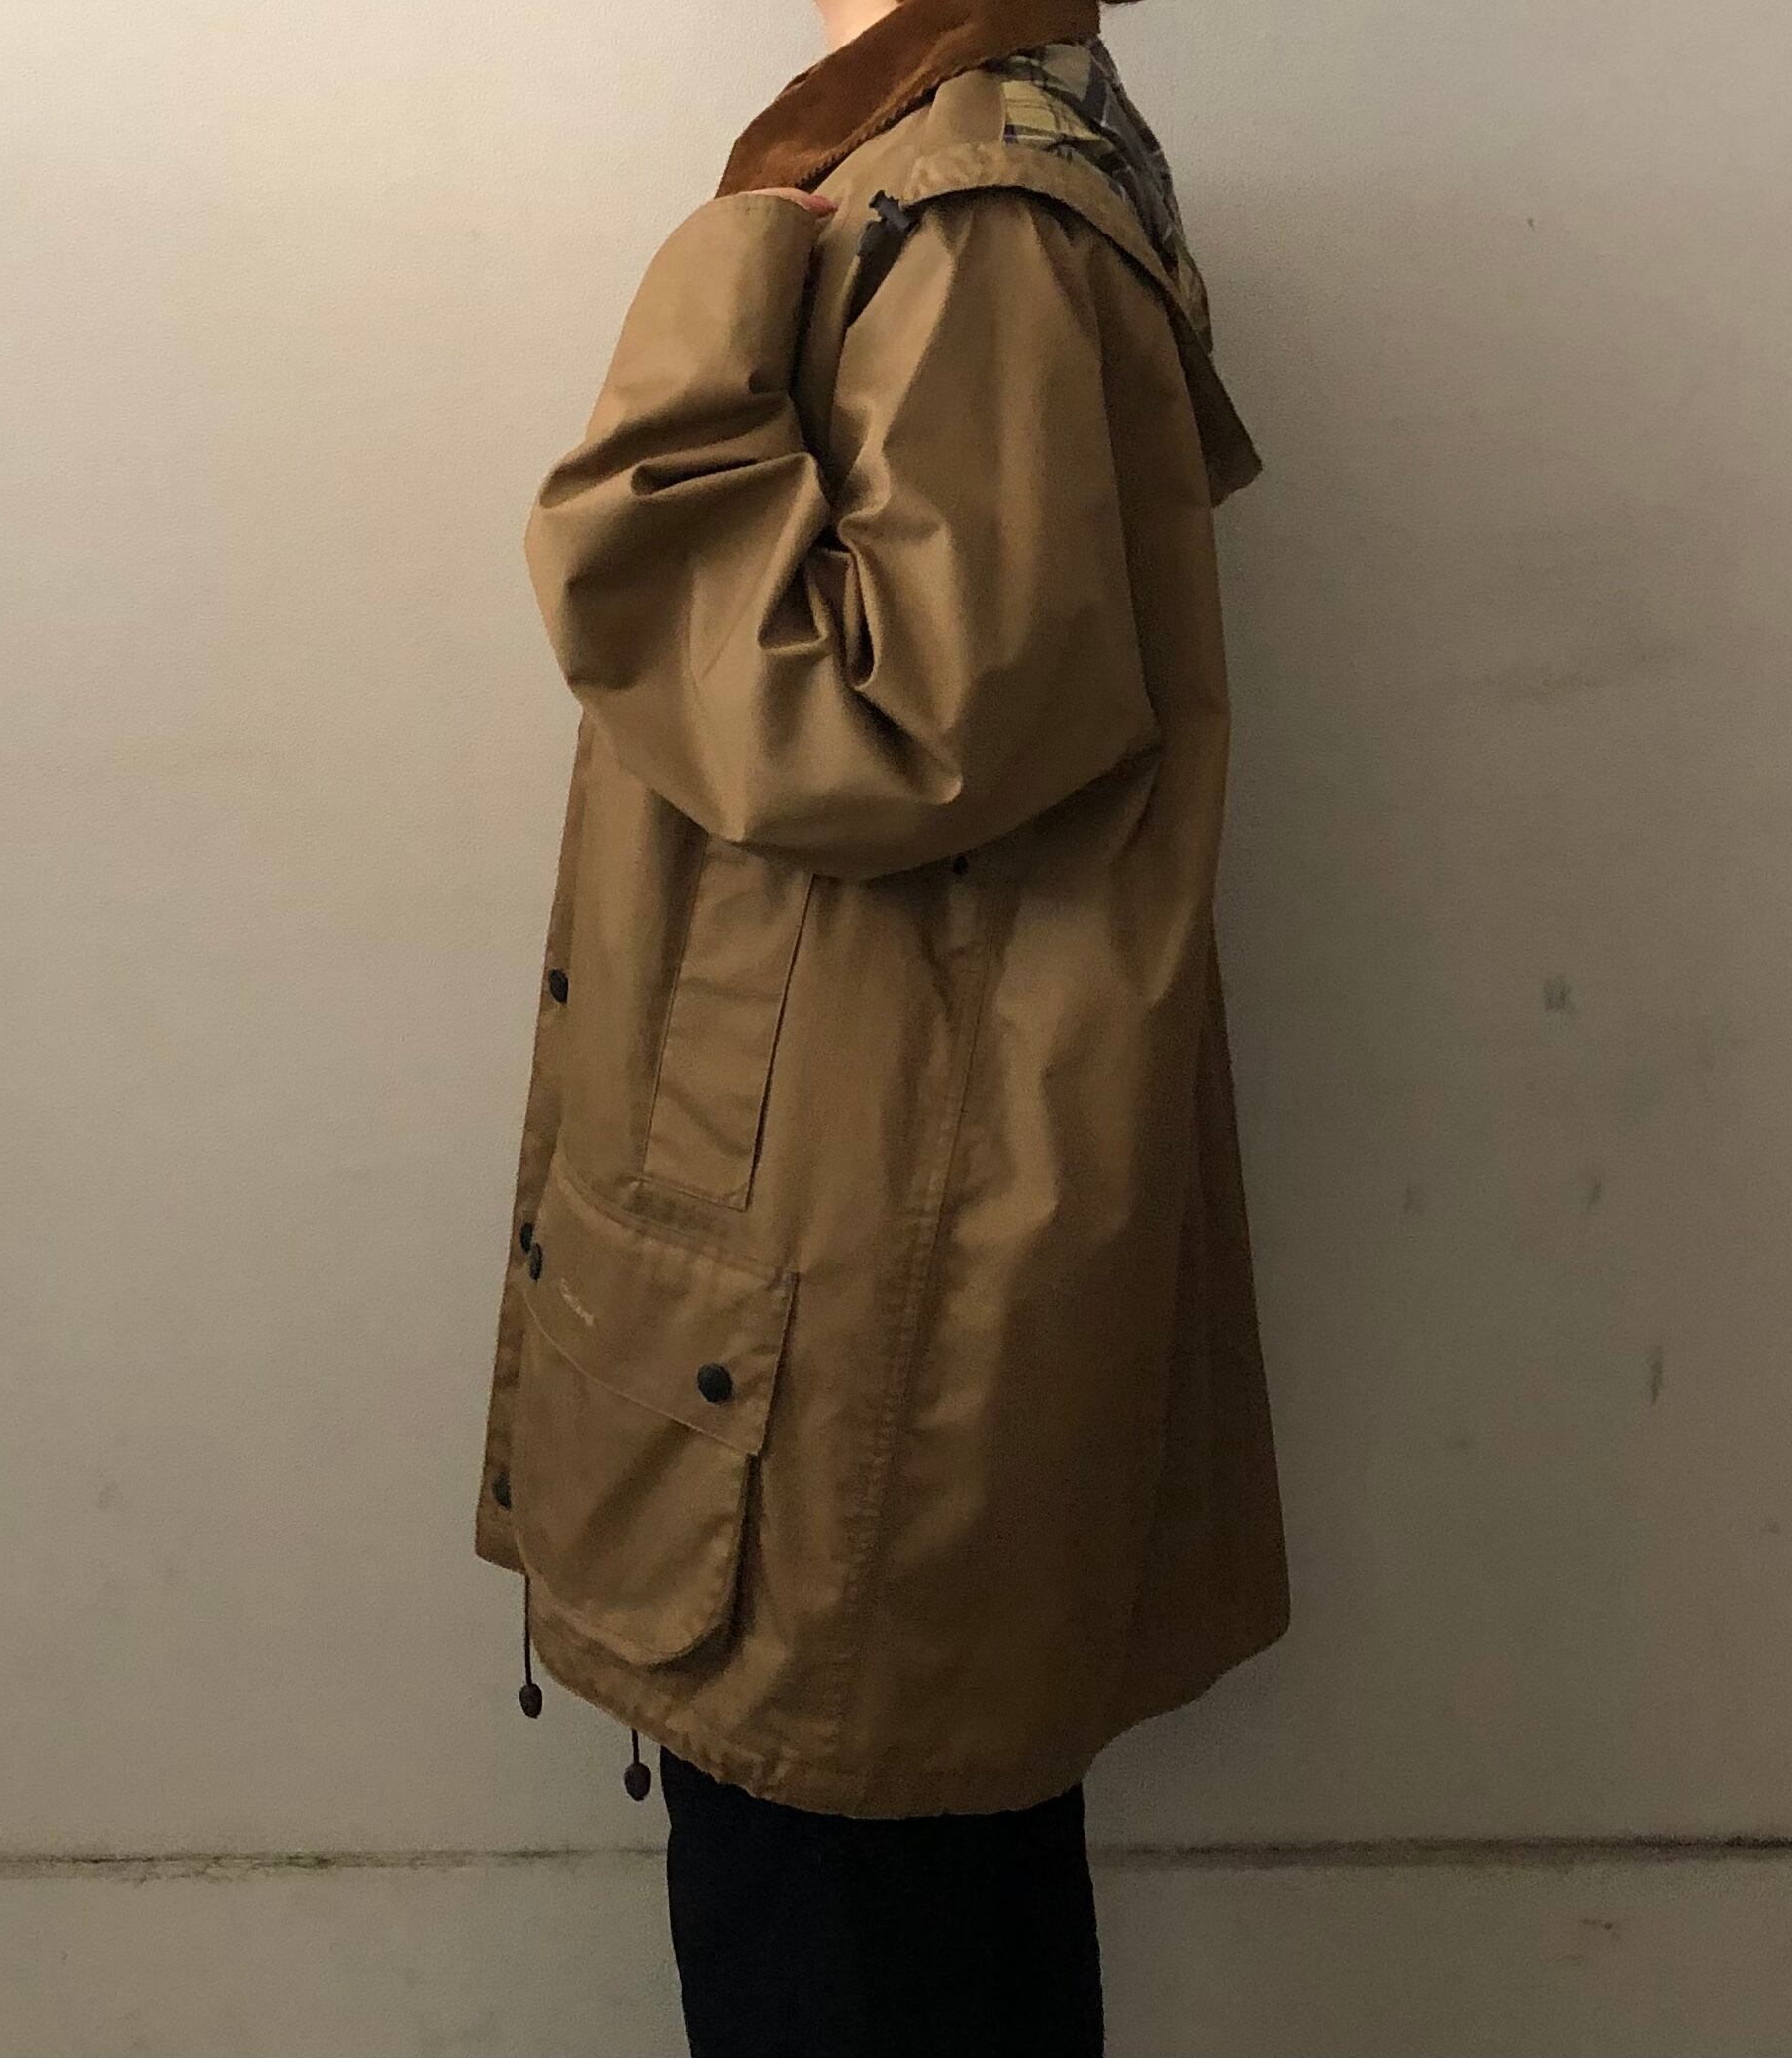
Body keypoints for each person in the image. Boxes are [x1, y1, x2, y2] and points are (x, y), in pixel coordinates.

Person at [472, 0, 1292, 2049]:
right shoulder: (939, 173)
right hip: (853, 1249)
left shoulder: (962, 212)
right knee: (915, 1902)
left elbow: (880, 725)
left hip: (852, 1301)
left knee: (850, 1911)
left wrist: (719, 271)